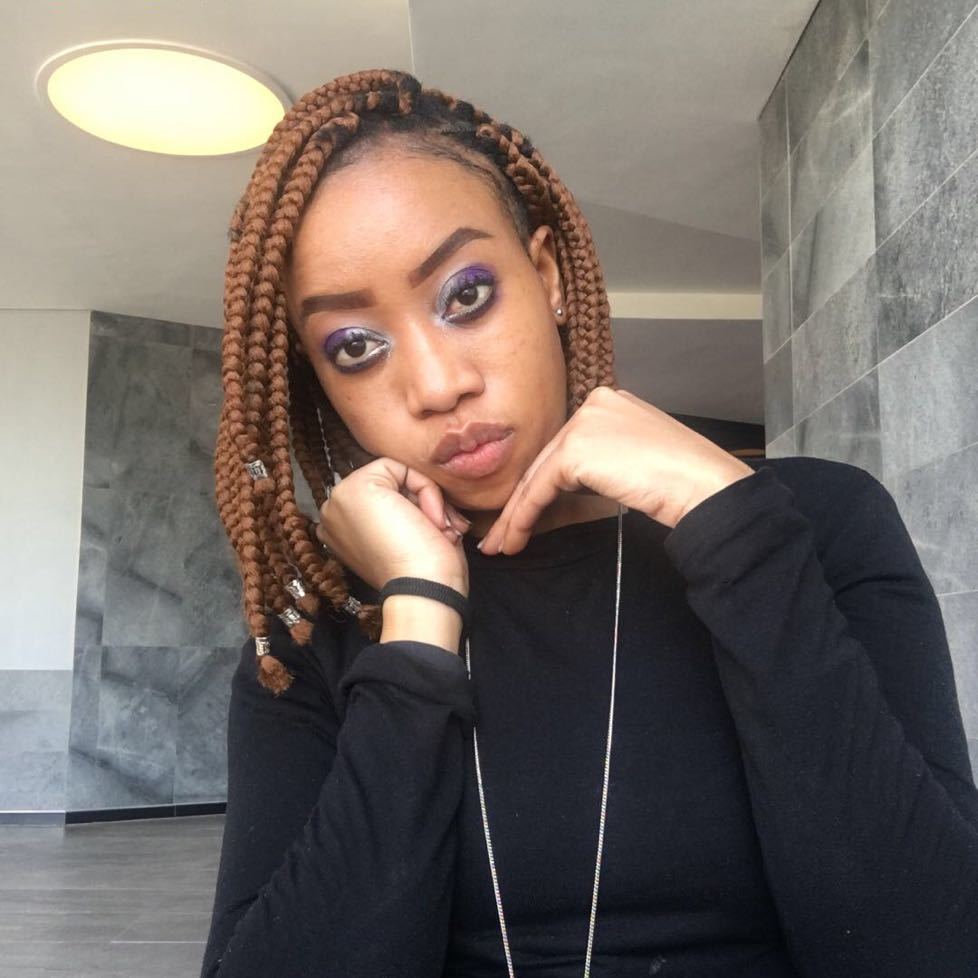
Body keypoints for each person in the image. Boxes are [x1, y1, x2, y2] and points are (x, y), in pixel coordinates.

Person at [200, 68, 978, 978]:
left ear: (547, 277)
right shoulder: (313, 631)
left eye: (465, 295)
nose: (438, 385)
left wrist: (732, 526)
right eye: (356, 347)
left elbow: (934, 946)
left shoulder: (820, 522)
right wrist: (415, 619)